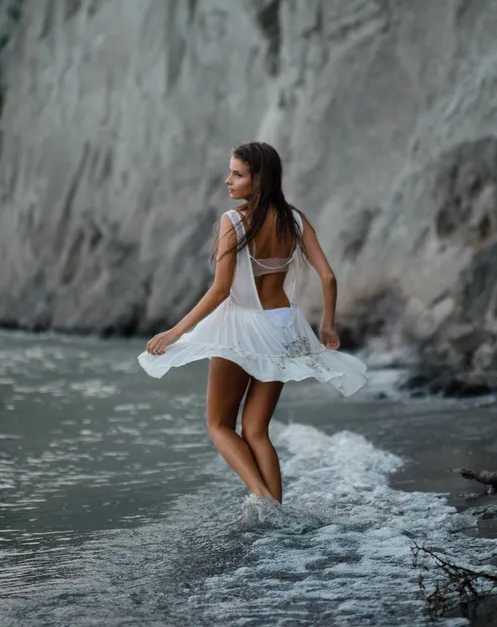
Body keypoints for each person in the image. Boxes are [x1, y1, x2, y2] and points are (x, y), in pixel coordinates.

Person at [137, 141, 367, 503]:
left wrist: (176, 332)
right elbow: (329, 277)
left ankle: (260, 497)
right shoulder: (294, 219)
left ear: (258, 180)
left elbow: (220, 291)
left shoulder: (234, 222)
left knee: (219, 426)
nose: (228, 180)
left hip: (242, 328)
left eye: (237, 174)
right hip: (283, 327)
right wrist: (328, 326)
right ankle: (277, 509)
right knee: (257, 430)